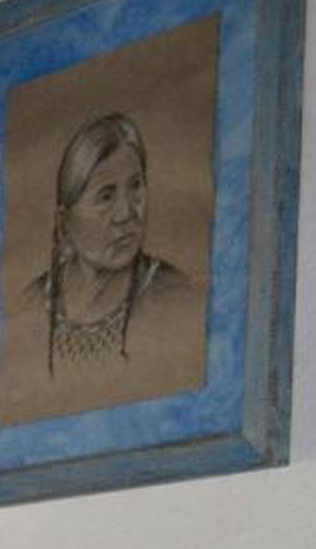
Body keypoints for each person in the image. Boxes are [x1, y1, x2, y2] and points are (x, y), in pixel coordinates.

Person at [15, 112, 203, 380]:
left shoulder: (175, 296)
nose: (125, 213)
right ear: (64, 222)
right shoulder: (30, 306)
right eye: (106, 196)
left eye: (136, 186)